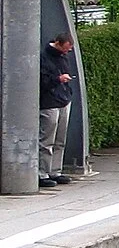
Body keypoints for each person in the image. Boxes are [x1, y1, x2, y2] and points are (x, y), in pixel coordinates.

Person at [38, 34, 75, 189]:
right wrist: (58, 79)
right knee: (47, 139)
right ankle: (42, 173)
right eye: (66, 48)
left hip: (63, 99)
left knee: (60, 138)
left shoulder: (62, 56)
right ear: (58, 44)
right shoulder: (43, 58)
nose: (67, 52)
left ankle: (55, 171)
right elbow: (42, 80)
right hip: (49, 102)